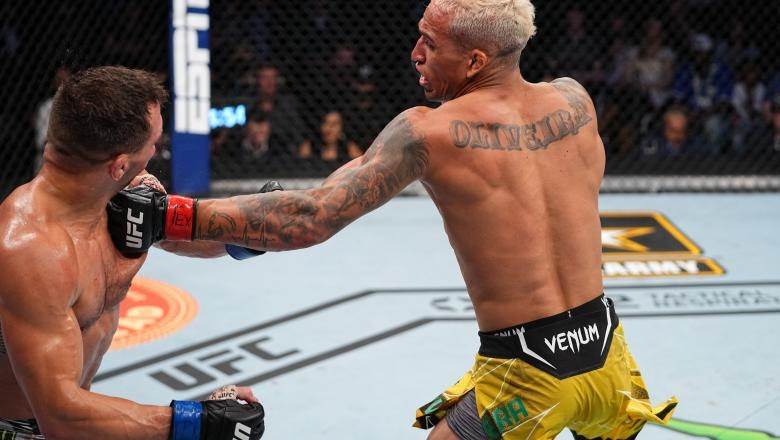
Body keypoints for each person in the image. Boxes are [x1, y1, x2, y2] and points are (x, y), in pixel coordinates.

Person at [109, 1, 678, 438]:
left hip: (527, 376)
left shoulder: (428, 131)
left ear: (475, 61)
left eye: (431, 42)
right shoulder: (575, 102)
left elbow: (312, 217)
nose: (415, 52)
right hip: (608, 357)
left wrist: (168, 215)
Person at [0, 66, 265, 439]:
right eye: (153, 143)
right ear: (119, 164)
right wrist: (199, 422)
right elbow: (60, 417)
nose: (156, 150)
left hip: (68, 413)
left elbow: (185, 235)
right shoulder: (31, 250)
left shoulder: (113, 194)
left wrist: (255, 230)